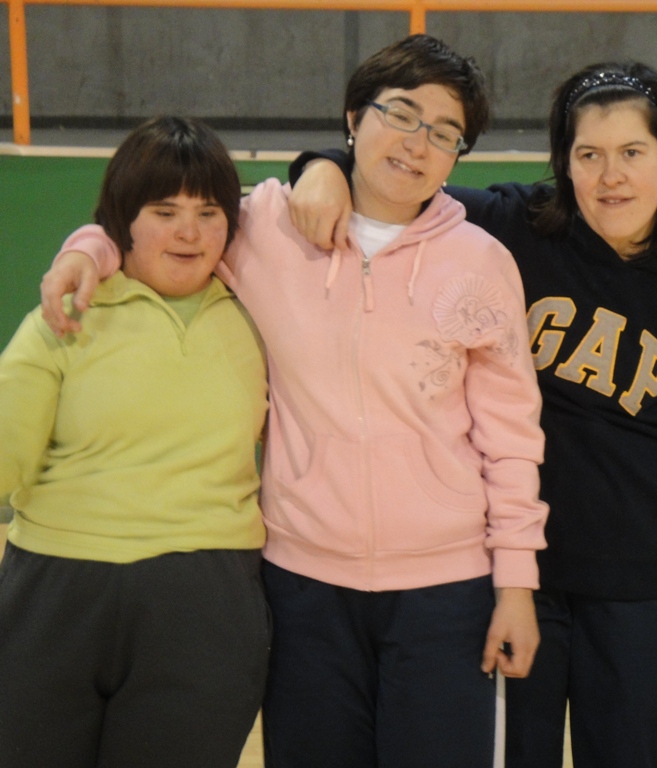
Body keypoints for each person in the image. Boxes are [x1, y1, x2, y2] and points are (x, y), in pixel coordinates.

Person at [39, 35, 548, 768]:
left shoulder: (482, 262)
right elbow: (159, 230)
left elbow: (511, 439)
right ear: (352, 117)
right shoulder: (268, 228)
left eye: (444, 133)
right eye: (401, 114)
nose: (417, 144)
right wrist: (83, 251)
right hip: (302, 585)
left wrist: (516, 585)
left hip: (448, 588)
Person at [286, 61, 657, 768]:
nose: (610, 176)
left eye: (632, 153)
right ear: (563, 164)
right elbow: (401, 182)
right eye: (588, 155)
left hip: (639, 580)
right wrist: (321, 164)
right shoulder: (513, 227)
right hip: (517, 578)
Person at [0, 116, 269, 768]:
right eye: (164, 210)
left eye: (209, 213)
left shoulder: (261, 314)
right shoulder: (65, 314)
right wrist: (85, 251)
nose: (189, 231)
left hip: (207, 598)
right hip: (56, 592)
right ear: (125, 221)